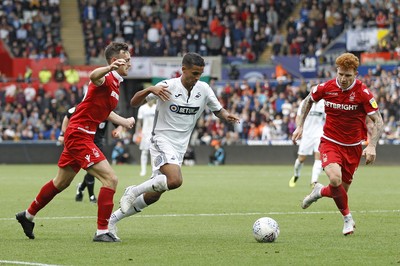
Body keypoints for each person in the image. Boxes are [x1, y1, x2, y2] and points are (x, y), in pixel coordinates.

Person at [108, 52, 240, 240]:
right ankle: (133, 190)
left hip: (179, 147)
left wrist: (227, 116)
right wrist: (149, 90)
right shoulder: (167, 86)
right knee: (175, 180)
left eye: (199, 74)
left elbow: (218, 110)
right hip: (161, 140)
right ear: (183, 69)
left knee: (155, 194)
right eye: (194, 73)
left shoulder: (203, 89)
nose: (197, 78)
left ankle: (111, 221)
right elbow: (134, 102)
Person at [16, 42, 135, 242]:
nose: (130, 64)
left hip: (82, 135)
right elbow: (92, 76)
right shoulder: (105, 77)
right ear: (116, 61)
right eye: (127, 60)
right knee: (111, 179)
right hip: (79, 134)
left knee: (61, 182)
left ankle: (27, 215)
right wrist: (108, 68)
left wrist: (124, 122)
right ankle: (102, 231)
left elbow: (104, 111)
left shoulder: (115, 83)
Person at [292, 53, 383, 236]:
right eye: (340, 74)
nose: (343, 79)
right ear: (337, 71)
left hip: (354, 147)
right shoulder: (326, 87)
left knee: (339, 190)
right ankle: (348, 219)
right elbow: (308, 100)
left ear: (355, 74)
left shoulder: (363, 93)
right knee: (335, 180)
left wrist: (372, 145)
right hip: (330, 142)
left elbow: (378, 121)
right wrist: (300, 125)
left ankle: (318, 192)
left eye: (348, 75)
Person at [58, 107, 123, 203]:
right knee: (90, 170)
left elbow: (119, 124)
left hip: (98, 144)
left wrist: (119, 131)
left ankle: (82, 187)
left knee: (93, 170)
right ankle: (91, 195)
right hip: (84, 143)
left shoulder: (107, 111)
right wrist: (62, 134)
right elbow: (67, 115)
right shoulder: (85, 106)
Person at [289, 98, 325, 188]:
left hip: (319, 134)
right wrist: (299, 128)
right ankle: (296, 175)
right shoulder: (304, 102)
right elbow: (298, 117)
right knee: (301, 159)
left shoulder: (324, 104)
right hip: (307, 135)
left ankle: (314, 181)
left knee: (318, 157)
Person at [134, 99, 156, 176]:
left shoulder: (156, 107)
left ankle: (154, 170)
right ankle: (143, 170)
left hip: (154, 133)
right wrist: (137, 133)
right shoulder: (142, 108)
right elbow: (139, 122)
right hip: (145, 133)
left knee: (153, 152)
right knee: (144, 151)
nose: (150, 100)